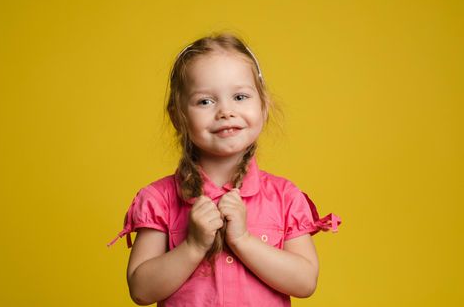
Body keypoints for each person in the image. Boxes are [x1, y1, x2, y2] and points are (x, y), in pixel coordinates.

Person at [107, 32, 342, 306]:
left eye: (240, 96)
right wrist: (193, 246)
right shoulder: (159, 200)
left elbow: (305, 282)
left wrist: (243, 239)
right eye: (205, 101)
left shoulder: (284, 196)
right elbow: (141, 289)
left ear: (263, 106)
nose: (225, 111)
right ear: (177, 116)